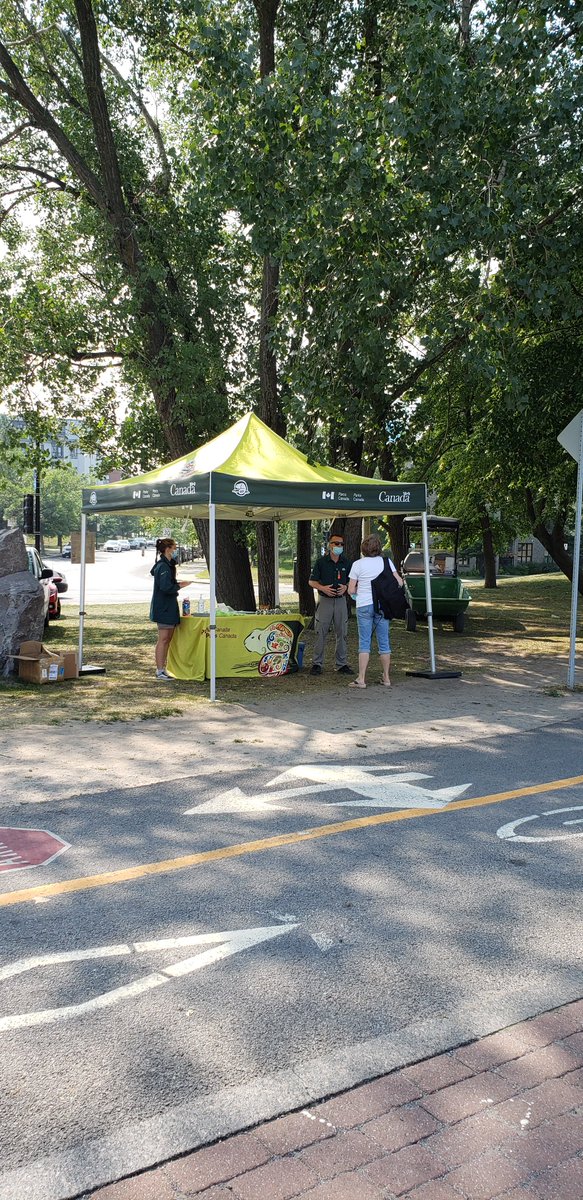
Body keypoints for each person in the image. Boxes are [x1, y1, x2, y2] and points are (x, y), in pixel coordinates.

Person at [347, 534, 403, 689]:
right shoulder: (387, 562)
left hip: (364, 604)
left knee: (364, 642)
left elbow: (351, 589)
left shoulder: (357, 564)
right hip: (382, 606)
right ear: (378, 548)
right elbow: (399, 582)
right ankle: (386, 677)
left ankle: (361, 679)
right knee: (384, 642)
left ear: (363, 549)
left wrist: (360, 589)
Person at [308, 532, 354, 676]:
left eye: (341, 544)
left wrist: (346, 587)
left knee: (342, 632)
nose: (339, 546)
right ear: (330, 545)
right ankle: (317, 664)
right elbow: (311, 581)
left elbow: (352, 581)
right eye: (336, 543)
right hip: (325, 601)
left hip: (341, 602)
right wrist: (323, 588)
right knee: (320, 632)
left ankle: (342, 664)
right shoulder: (321, 562)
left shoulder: (347, 563)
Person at [150, 538, 189, 680]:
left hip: (169, 606)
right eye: (174, 548)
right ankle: (159, 670)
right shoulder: (162, 567)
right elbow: (165, 587)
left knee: (168, 638)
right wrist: (180, 585)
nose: (175, 551)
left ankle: (163, 668)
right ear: (167, 549)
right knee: (164, 639)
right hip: (163, 608)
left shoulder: (168, 566)